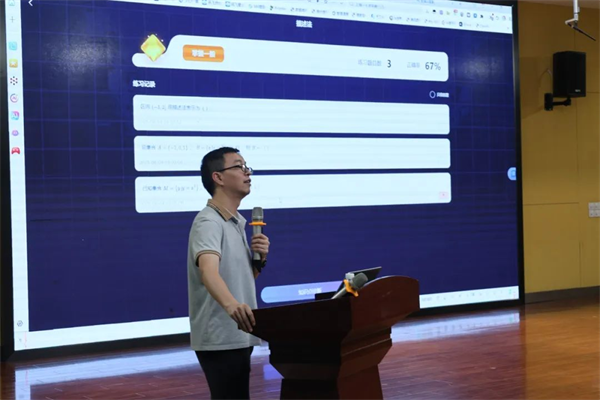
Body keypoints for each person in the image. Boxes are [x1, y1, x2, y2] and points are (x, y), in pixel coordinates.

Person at [187, 147, 270, 400]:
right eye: (239, 166)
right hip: (219, 336)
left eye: (247, 166)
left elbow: (238, 280)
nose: (247, 172)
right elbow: (208, 273)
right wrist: (232, 306)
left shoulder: (236, 222)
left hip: (238, 333)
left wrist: (258, 262)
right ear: (218, 177)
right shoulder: (209, 222)